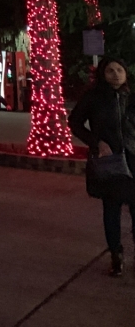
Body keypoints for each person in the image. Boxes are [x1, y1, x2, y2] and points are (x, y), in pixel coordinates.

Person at [69, 57, 135, 277]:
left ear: (126, 73)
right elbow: (75, 122)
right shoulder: (94, 97)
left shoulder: (131, 96)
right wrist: (96, 142)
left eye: (119, 70)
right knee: (112, 209)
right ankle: (116, 254)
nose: (115, 74)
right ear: (102, 74)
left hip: (134, 159)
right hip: (110, 161)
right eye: (110, 70)